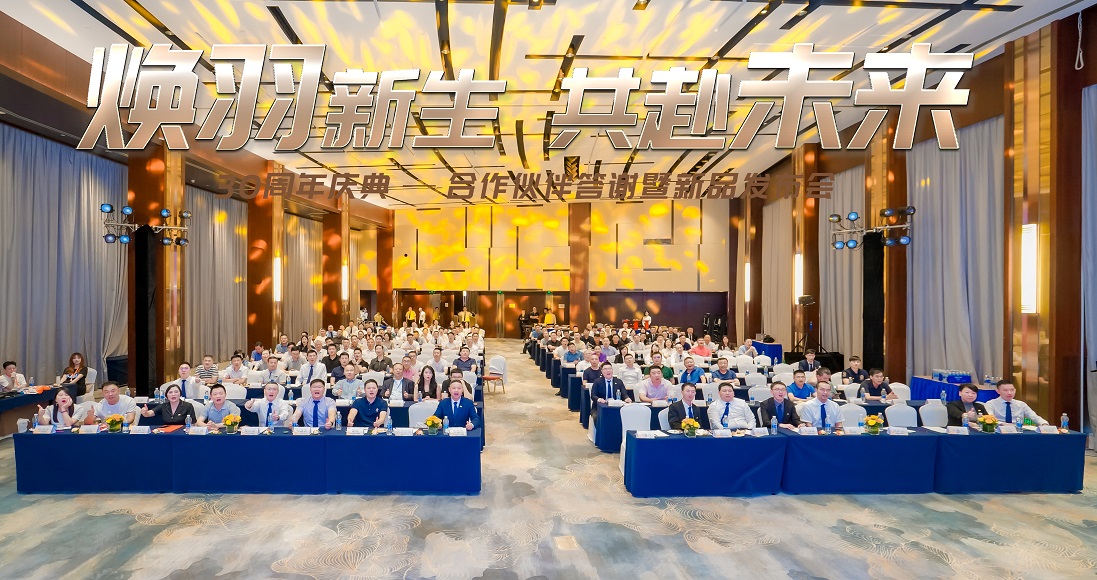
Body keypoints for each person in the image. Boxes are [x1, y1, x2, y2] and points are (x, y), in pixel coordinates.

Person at [984, 380, 1049, 426]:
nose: (1009, 393)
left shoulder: (1021, 404)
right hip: (998, 431)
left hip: (1018, 431)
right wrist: (1002, 424)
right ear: (998, 391)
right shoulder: (991, 404)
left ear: (1015, 390)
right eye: (1005, 390)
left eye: (1012, 390)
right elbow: (990, 419)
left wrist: (1044, 423)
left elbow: (1034, 417)